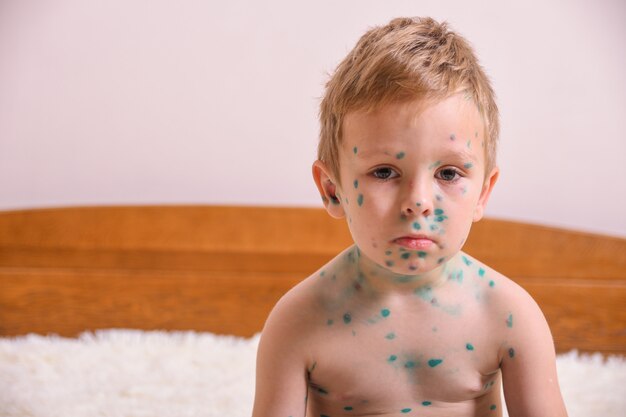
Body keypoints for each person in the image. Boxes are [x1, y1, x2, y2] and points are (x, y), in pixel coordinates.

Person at [252, 17, 567, 417]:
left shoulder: (508, 317)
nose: (418, 202)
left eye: (448, 174)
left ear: (483, 193)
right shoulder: (299, 323)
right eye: (384, 172)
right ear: (333, 189)